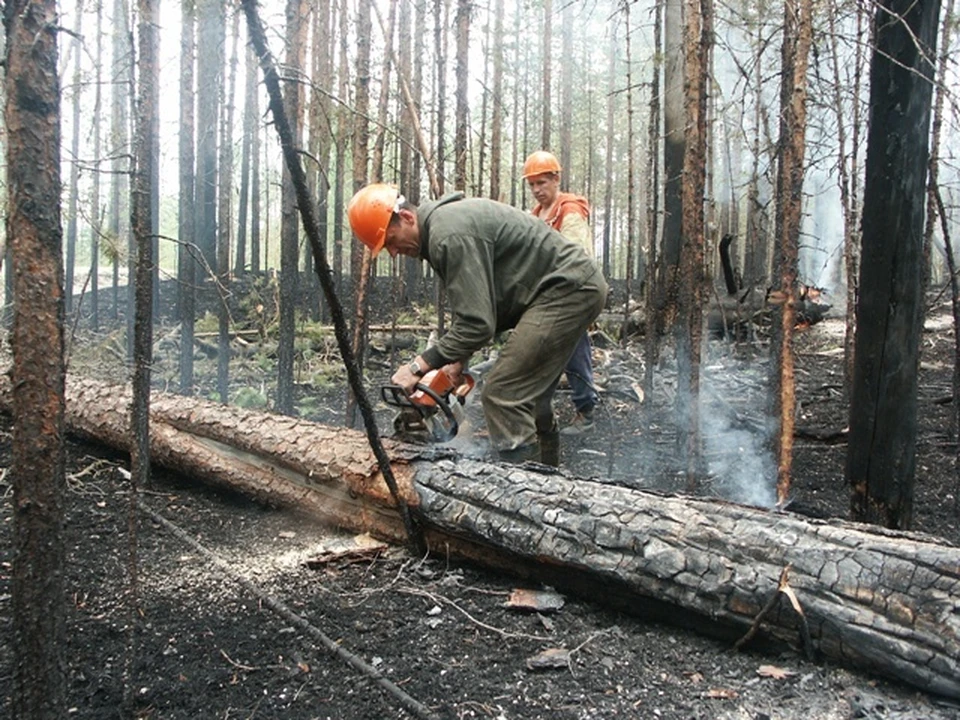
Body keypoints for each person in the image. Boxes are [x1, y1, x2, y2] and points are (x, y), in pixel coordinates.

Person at [347, 183, 607, 466]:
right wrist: (457, 362)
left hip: (567, 289)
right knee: (530, 397)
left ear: (407, 218)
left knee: (504, 393)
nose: (394, 253)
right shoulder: (445, 227)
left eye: (391, 240)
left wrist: (417, 367)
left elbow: (477, 324)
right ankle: (548, 485)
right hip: (566, 287)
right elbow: (478, 307)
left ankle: (525, 495)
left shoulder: (448, 234)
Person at [522, 150, 599, 435]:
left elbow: (576, 256)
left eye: (542, 183)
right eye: (531, 185)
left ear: (556, 179)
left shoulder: (569, 210)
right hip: (547, 296)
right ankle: (540, 413)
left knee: (574, 352)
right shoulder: (535, 215)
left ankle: (586, 411)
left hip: (573, 293)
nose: (536, 190)